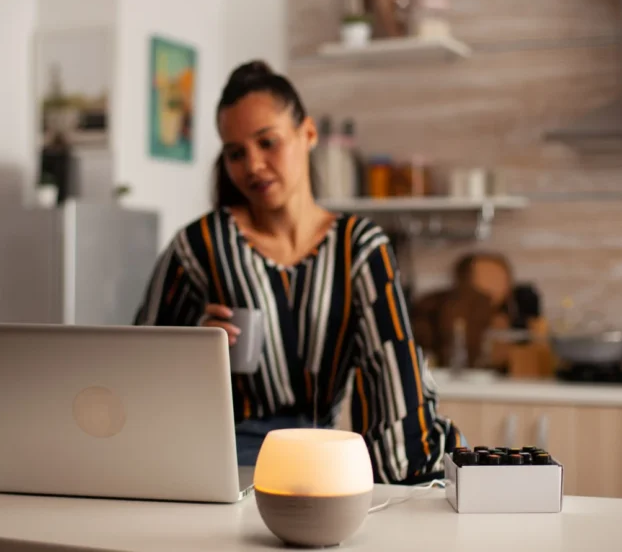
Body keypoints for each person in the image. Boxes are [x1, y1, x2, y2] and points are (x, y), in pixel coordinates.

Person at [134, 60, 462, 484]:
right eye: (236, 153)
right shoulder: (198, 246)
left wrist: (412, 478)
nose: (252, 165)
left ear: (308, 133)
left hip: (317, 460)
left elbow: (393, 367)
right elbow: (139, 371)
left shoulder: (361, 248)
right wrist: (192, 351)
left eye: (266, 142)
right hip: (219, 464)